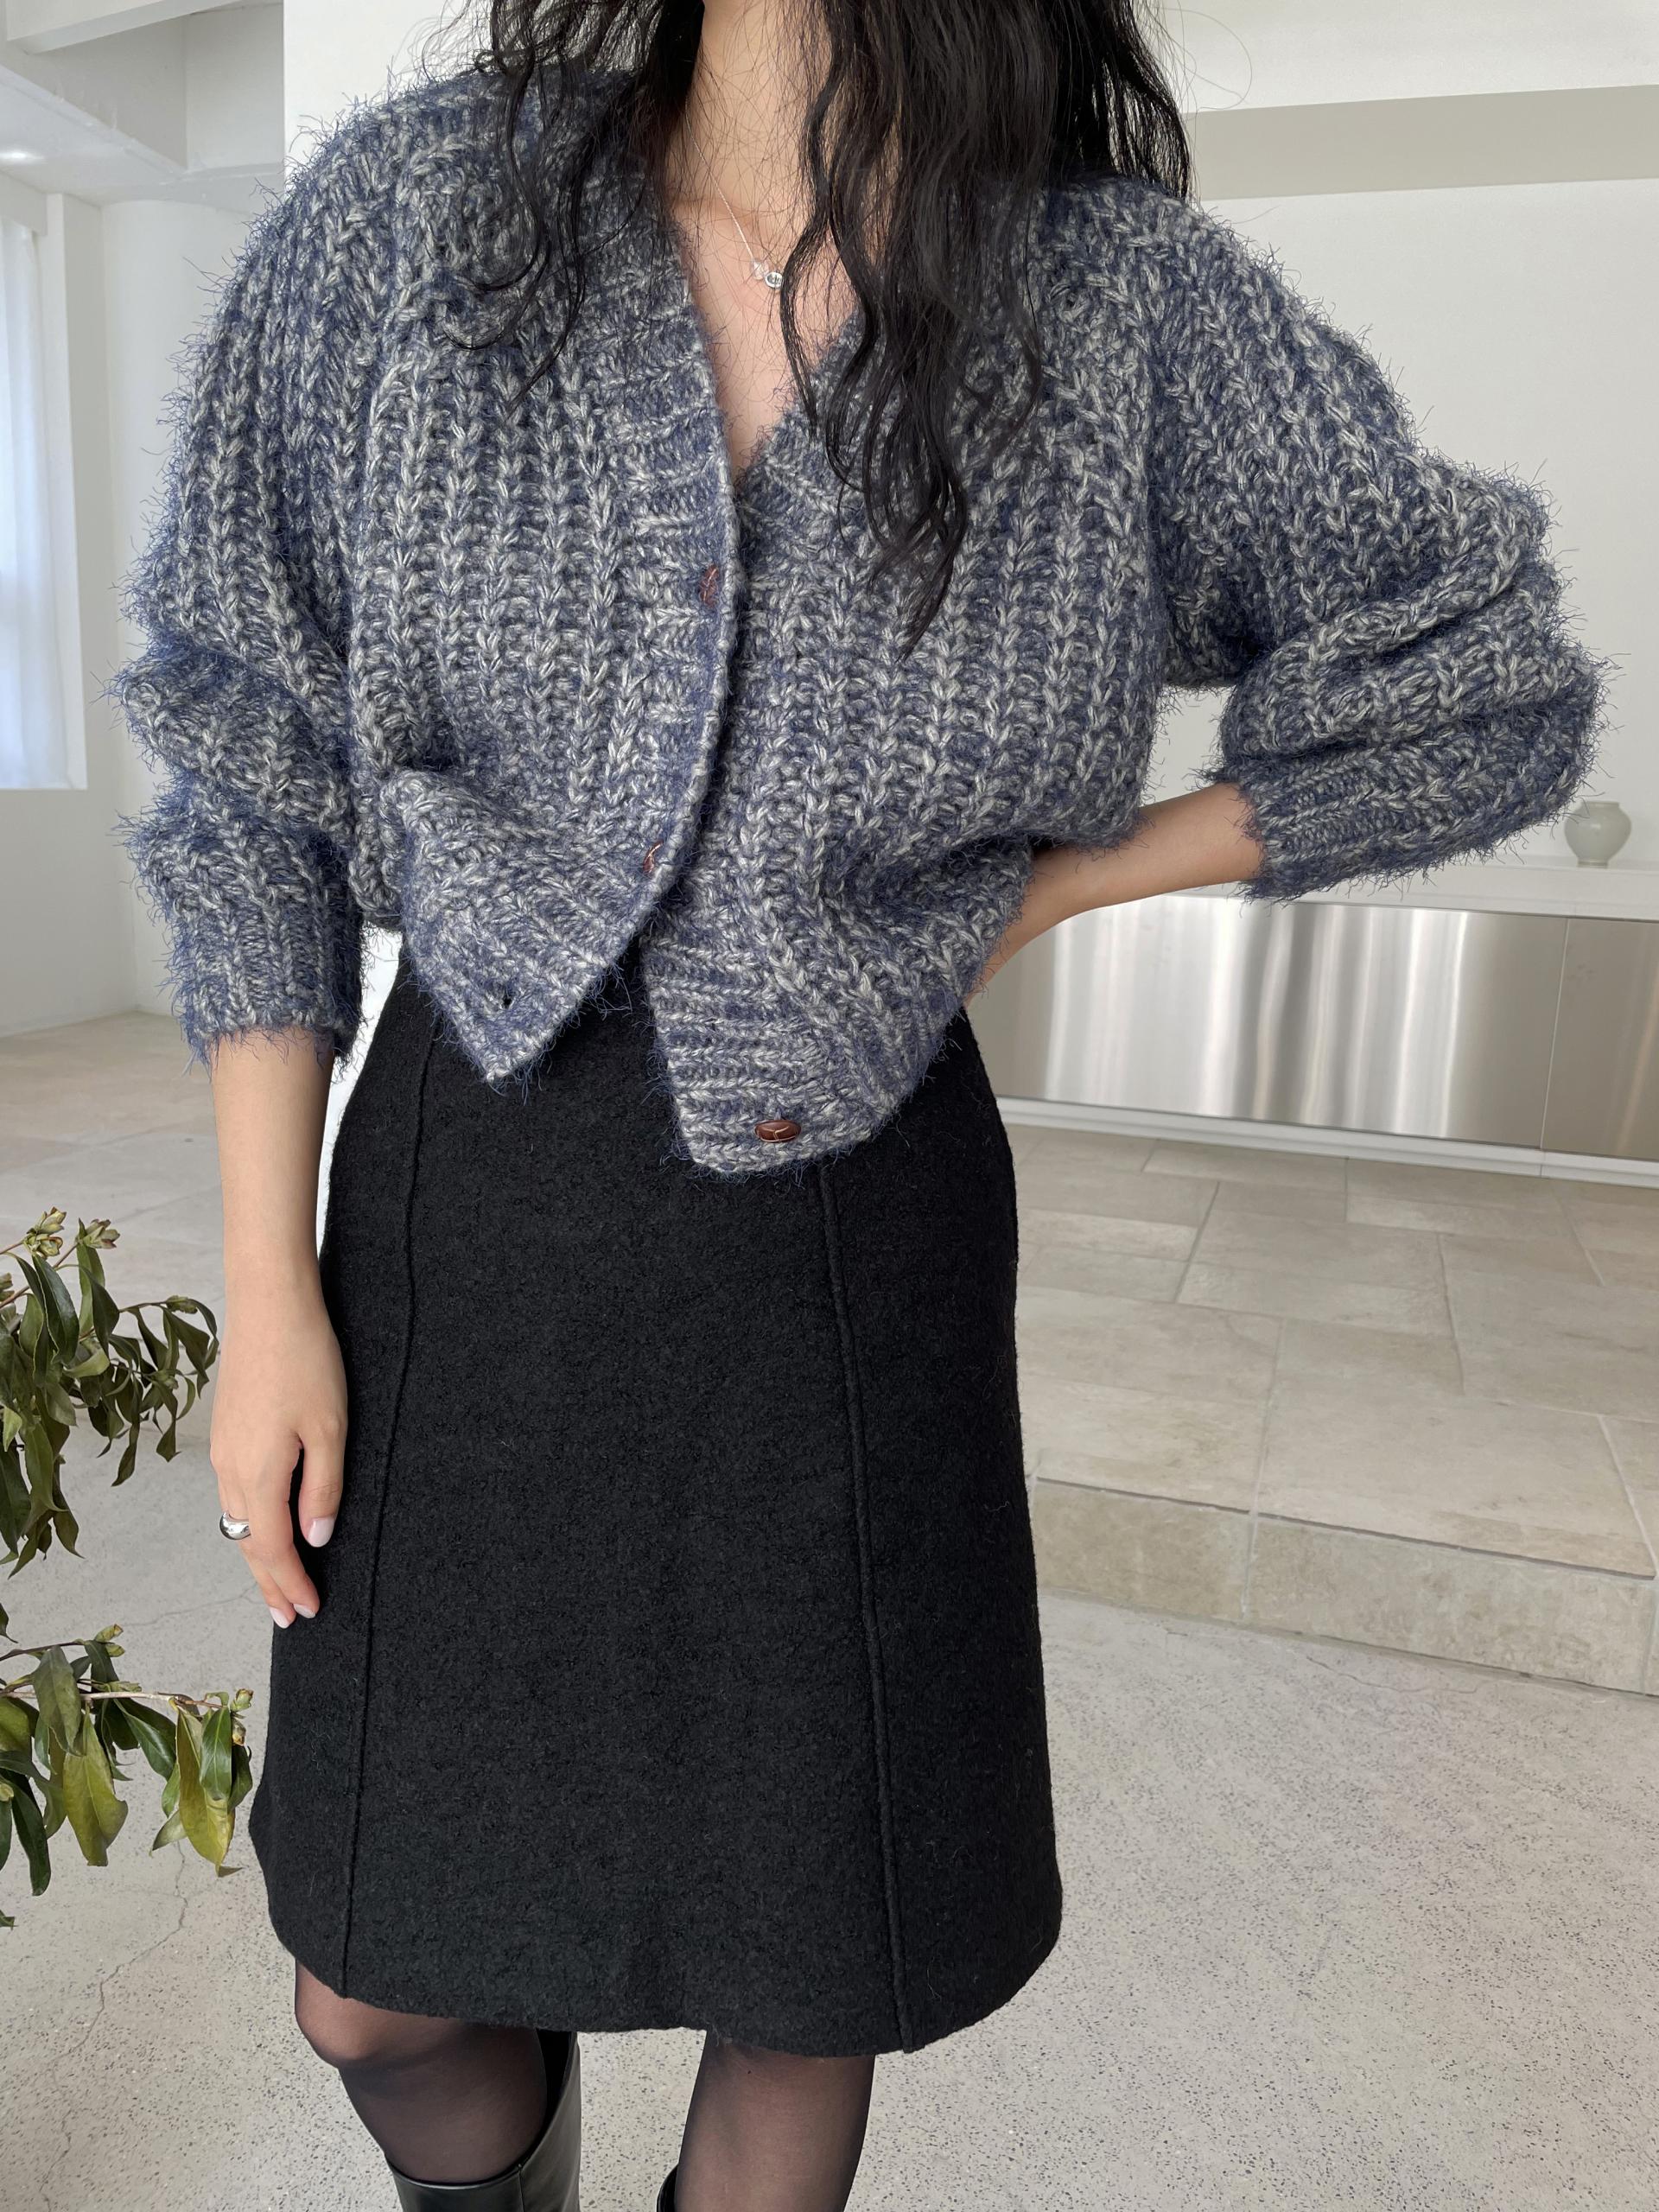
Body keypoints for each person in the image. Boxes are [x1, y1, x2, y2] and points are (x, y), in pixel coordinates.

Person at [109, 2, 1605, 2206]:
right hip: (467, 1206)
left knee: (804, 1969)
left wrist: (1059, 882)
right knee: (375, 1982)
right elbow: (252, 748)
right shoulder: (414, 221)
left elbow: (1487, 674)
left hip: (849, 1230)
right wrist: (264, 1279)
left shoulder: (1113, 308)